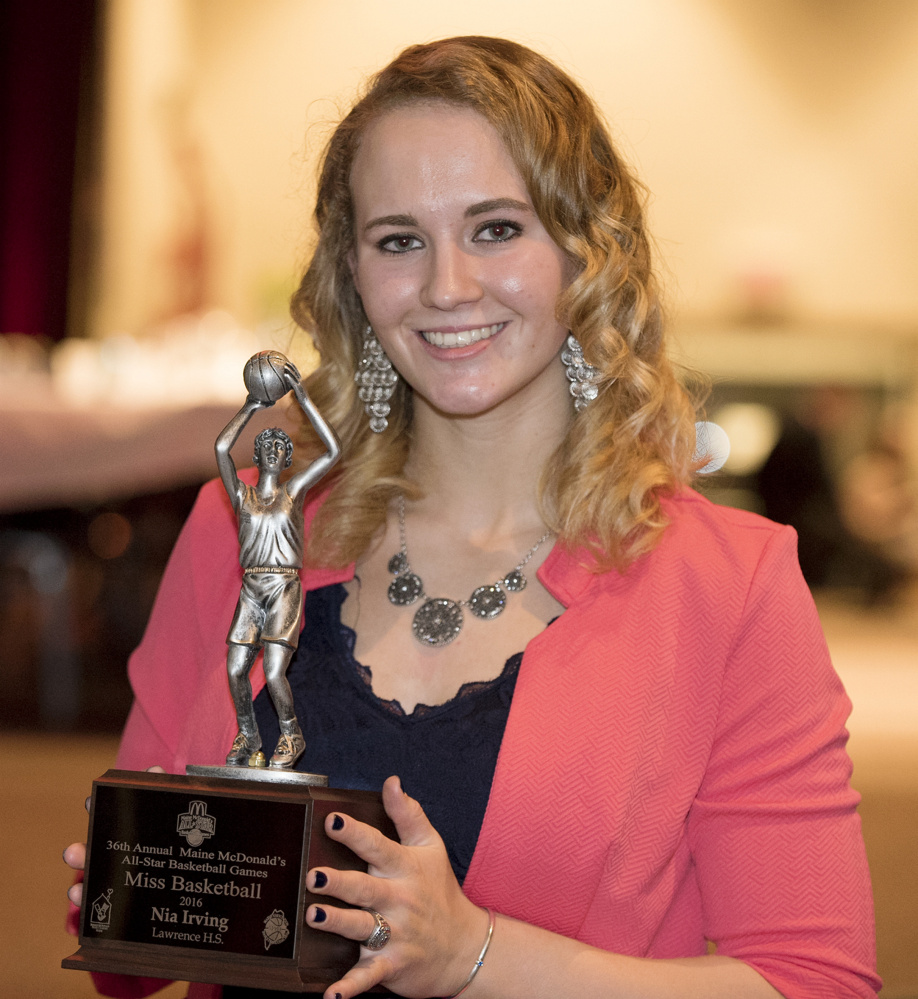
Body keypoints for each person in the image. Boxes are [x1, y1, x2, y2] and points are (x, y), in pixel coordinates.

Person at [65, 35, 880, 999]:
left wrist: (476, 955)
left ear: (586, 252)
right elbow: (134, 959)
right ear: (355, 277)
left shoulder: (727, 583)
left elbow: (813, 979)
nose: (448, 286)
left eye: (496, 229)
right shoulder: (244, 526)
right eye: (400, 239)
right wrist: (132, 907)